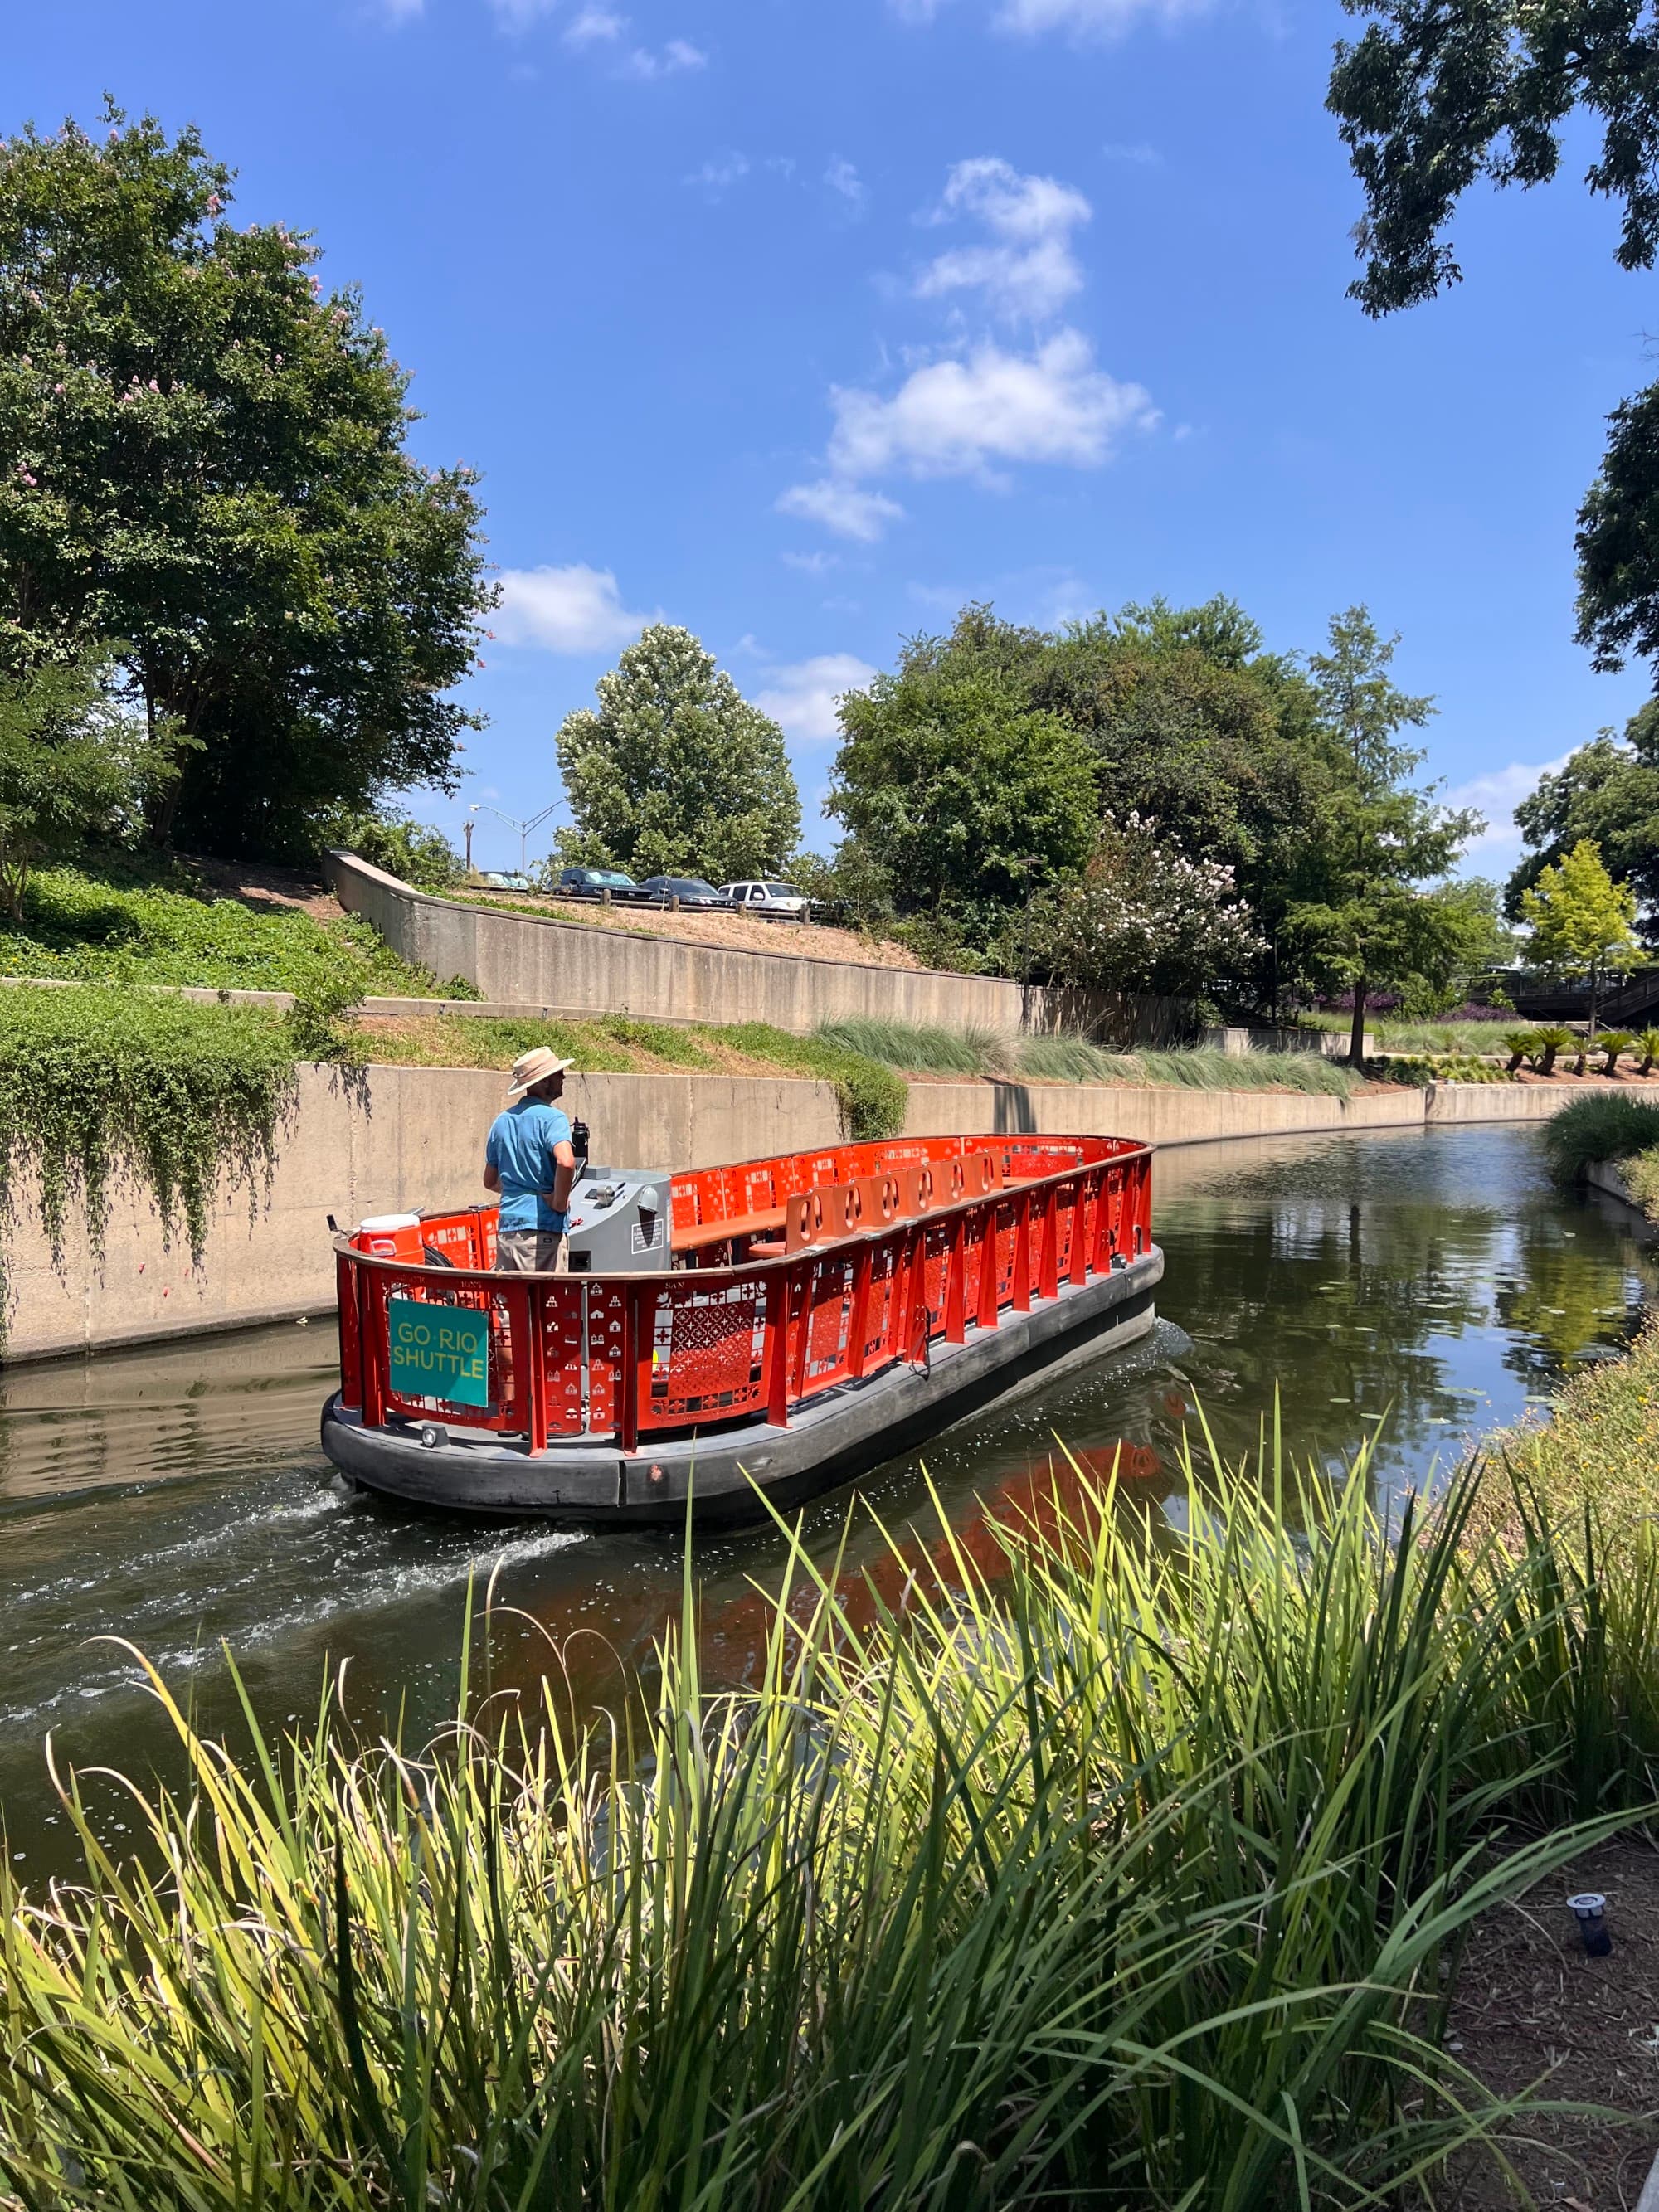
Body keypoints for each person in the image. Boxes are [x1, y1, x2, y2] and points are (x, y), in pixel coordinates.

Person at [484, 1048, 577, 1272]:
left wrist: (521, 1190)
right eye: (558, 1074)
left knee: (512, 1303)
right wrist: (558, 1201)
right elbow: (566, 1162)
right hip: (542, 1231)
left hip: (508, 1232)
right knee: (548, 1305)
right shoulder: (553, 1119)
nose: (563, 1077)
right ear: (544, 1082)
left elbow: (490, 1180)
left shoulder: (502, 1121)